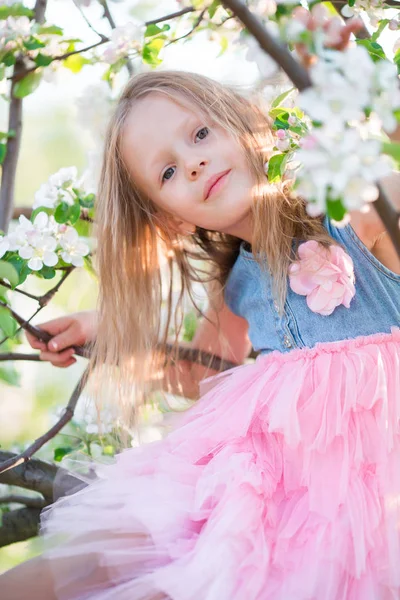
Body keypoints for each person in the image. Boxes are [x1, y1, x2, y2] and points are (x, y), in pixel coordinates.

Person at [2, 70, 400, 600]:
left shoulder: (352, 212)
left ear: (246, 124)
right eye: (168, 172)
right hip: (269, 490)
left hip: (368, 495)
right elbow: (203, 373)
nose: (192, 162)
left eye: (200, 134)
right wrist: (104, 336)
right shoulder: (239, 282)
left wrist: (354, 86)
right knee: (106, 558)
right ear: (172, 220)